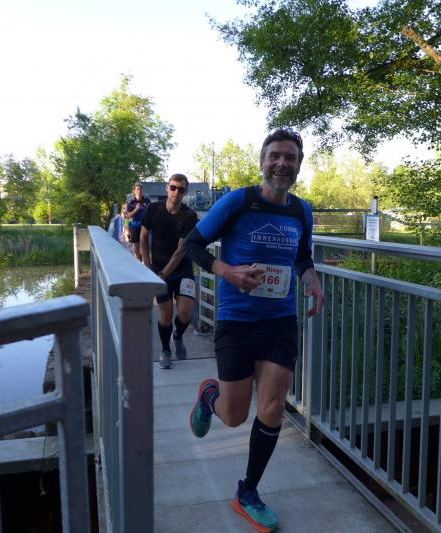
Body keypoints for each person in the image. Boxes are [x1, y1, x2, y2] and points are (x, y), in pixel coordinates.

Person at [183, 129, 324, 533]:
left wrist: (312, 277)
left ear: (299, 165)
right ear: (262, 162)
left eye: (290, 157)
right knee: (233, 416)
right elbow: (192, 244)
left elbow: (302, 256)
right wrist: (227, 271)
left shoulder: (301, 211)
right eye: (274, 156)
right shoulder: (238, 202)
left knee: (274, 406)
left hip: (279, 321)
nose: (282, 163)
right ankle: (209, 395)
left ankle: (248, 491)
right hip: (236, 321)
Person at [140, 173, 198, 369]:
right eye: (173, 187)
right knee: (165, 314)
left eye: (181, 189)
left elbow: (181, 250)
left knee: (185, 312)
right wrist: (147, 267)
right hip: (157, 267)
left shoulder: (189, 216)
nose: (176, 192)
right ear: (167, 188)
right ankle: (165, 350)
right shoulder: (152, 209)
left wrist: (163, 274)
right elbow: (143, 238)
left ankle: (178, 335)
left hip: (182, 268)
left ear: (185, 192)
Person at [124, 182, 150, 261]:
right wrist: (136, 209)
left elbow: (152, 212)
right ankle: (138, 260)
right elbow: (128, 216)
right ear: (134, 191)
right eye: (137, 189)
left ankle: (144, 262)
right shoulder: (131, 202)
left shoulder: (147, 201)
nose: (139, 191)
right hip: (134, 226)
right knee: (136, 246)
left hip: (145, 226)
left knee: (143, 245)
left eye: (140, 189)